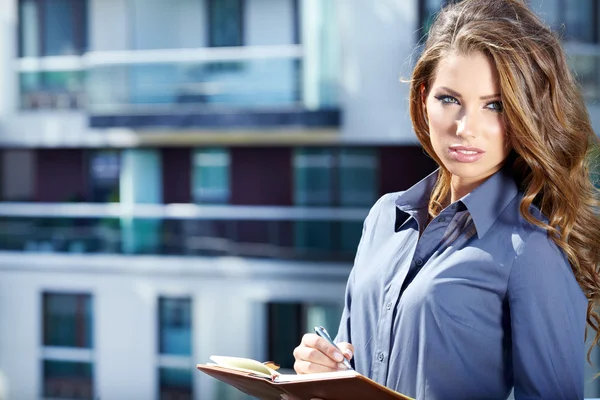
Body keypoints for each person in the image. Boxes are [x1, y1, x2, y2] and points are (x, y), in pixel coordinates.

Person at [292, 0, 600, 399]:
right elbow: (350, 361)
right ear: (423, 97)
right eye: (449, 99)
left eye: (494, 106)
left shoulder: (533, 248)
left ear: (526, 114)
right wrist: (323, 368)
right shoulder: (384, 217)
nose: (465, 128)